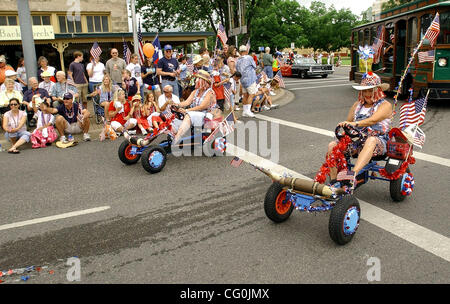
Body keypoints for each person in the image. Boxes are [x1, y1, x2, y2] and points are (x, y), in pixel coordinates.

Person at [326, 72, 391, 188]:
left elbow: (372, 120)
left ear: (377, 90)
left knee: (371, 140)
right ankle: (334, 181)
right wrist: (344, 127)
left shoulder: (385, 105)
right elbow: (348, 124)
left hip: (379, 142)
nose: (367, 94)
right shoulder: (357, 105)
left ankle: (352, 175)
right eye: (364, 91)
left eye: (370, 90)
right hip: (357, 141)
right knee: (332, 145)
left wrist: (354, 123)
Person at [170, 70, 219, 145]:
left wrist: (186, 110)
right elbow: (187, 102)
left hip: (206, 116)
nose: (195, 81)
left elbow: (202, 107)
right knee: (178, 114)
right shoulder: (195, 91)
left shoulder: (210, 92)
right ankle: (173, 133)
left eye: (197, 79)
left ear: (202, 81)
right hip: (196, 114)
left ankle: (177, 139)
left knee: (188, 115)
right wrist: (177, 105)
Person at [236, 45, 258, 118]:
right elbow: (254, 66)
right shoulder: (249, 58)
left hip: (243, 79)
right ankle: (248, 111)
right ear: (246, 51)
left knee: (245, 95)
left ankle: (244, 111)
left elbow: (237, 69)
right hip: (250, 78)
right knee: (251, 94)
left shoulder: (238, 60)